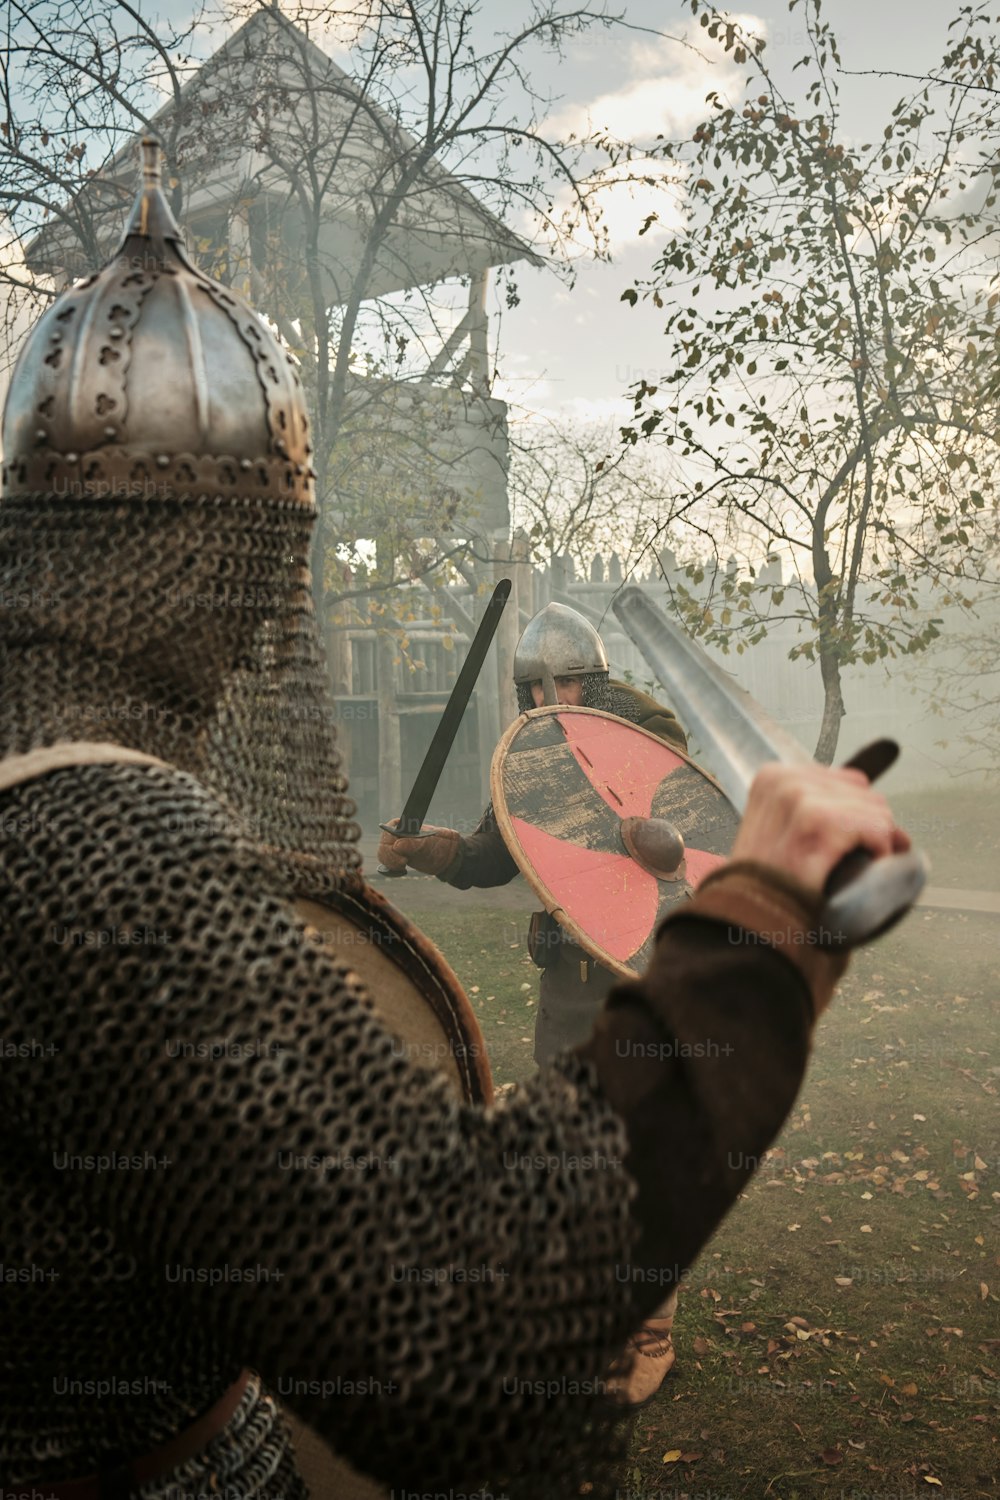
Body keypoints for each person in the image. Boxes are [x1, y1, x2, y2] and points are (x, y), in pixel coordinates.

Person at [0, 142, 911, 1500]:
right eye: (270, 568)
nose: (273, 613)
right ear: (227, 552)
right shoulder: (107, 851)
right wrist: (764, 921)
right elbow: (454, 1331)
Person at [378, 600, 693, 1400]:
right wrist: (429, 850)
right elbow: (495, 853)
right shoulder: (535, 749)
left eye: (547, 691)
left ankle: (649, 1330)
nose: (535, 709)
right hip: (569, 980)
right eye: (527, 697)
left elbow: (666, 841)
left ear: (582, 680)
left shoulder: (647, 735)